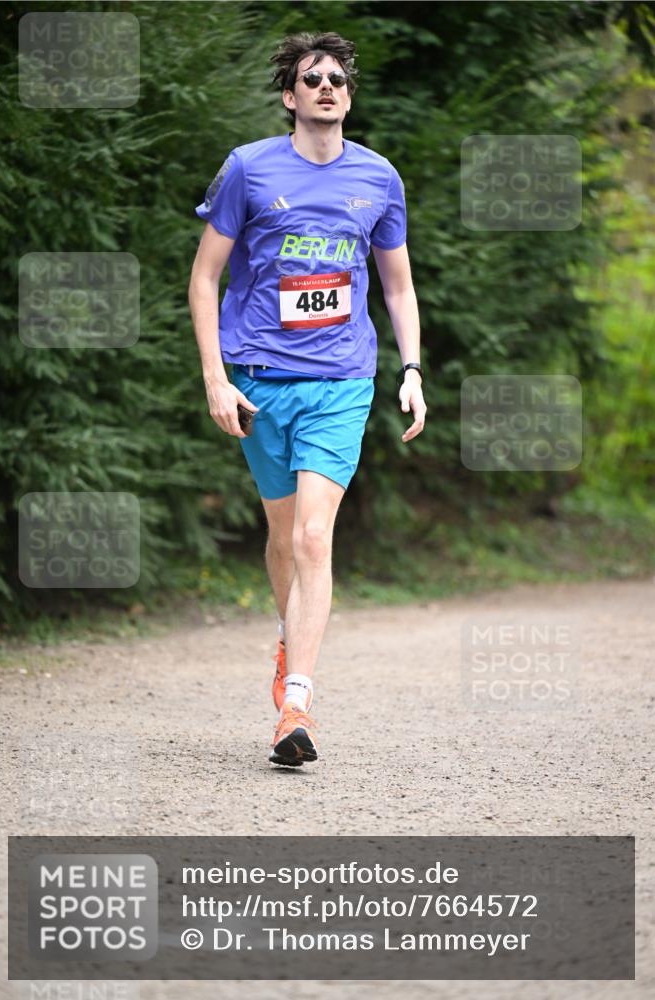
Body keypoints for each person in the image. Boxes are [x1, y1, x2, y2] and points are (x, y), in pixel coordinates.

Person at [188, 31, 426, 767]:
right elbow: (204, 280)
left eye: (336, 79)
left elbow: (395, 284)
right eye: (310, 78)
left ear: (347, 96)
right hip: (259, 381)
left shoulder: (378, 178)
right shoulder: (249, 170)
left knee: (314, 539)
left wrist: (411, 367)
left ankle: (297, 700)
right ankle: (290, 640)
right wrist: (215, 377)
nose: (326, 86)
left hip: (342, 382)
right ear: (290, 95)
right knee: (282, 535)